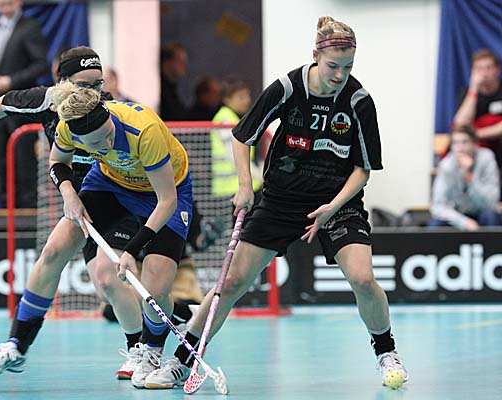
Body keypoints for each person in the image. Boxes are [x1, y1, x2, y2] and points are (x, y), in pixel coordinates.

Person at [144, 16, 409, 390]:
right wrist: (245, 186)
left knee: (363, 279)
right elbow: (242, 136)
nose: (340, 75)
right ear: (315, 56)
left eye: (348, 67)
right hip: (281, 201)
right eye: (333, 66)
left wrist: (332, 207)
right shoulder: (287, 88)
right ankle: (182, 361)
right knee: (231, 282)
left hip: (337, 204)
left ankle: (387, 353)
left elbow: (362, 169)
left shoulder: (358, 101)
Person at [0, 46, 195, 381]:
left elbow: (166, 200)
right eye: (85, 84)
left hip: (164, 193)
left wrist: (132, 248)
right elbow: (56, 160)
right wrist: (69, 194)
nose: (102, 147)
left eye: (98, 83)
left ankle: (153, 347)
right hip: (109, 184)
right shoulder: (66, 123)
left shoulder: (140, 129)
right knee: (56, 252)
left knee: (154, 286)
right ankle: (16, 346)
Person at [0, 0, 48, 208]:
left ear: (18, 2)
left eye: (8, 1)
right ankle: (5, 203)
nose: (4, 5)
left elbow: (40, 64)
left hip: (23, 102)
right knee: (2, 153)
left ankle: (28, 204)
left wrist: (11, 81)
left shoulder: (30, 26)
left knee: (23, 154)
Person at [430, 124, 500, 229]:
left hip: (481, 210)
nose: (460, 148)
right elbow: (438, 206)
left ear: (475, 144)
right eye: (455, 143)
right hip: (458, 214)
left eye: (464, 142)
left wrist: (469, 177)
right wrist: (463, 221)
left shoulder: (486, 158)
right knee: (436, 223)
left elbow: (490, 202)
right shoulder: (446, 165)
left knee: (491, 216)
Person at [211, 78, 262, 200]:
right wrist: (259, 176)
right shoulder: (225, 119)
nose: (247, 100)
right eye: (241, 97)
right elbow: (234, 155)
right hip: (232, 189)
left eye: (247, 96)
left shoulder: (235, 118)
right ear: (226, 99)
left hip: (240, 186)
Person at [453, 49, 502, 164]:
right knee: (461, 144)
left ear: (497, 70)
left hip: (495, 140)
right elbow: (460, 124)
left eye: (488, 68)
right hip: (476, 146)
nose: (484, 73)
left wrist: (476, 134)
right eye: (479, 69)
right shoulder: (467, 93)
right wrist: (474, 89)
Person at [160, 43, 189, 121]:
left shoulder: (172, 89)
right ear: (167, 62)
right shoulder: (159, 90)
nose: (184, 65)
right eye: (180, 61)